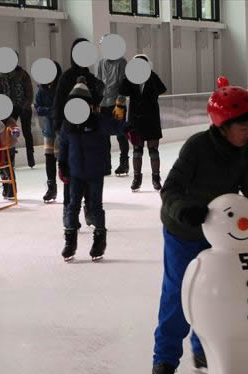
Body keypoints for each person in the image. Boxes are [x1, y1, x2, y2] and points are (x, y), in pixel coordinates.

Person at [151, 76, 248, 374]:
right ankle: (165, 358)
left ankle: (203, 349)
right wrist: (184, 209)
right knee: (179, 295)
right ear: (222, 125)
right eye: (242, 125)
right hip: (183, 231)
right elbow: (171, 189)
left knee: (215, 294)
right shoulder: (197, 147)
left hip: (219, 236)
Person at [58, 77, 125, 262]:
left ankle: (99, 241)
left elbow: (119, 128)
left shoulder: (98, 122)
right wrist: (61, 166)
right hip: (75, 173)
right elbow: (63, 146)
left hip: (94, 172)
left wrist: (121, 109)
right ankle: (70, 242)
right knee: (72, 207)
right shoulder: (68, 125)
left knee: (96, 207)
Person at [52, 38, 106, 227]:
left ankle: (90, 208)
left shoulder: (91, 79)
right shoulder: (66, 77)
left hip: (90, 133)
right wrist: (60, 129)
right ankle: (69, 213)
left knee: (90, 173)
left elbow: (97, 103)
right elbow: (58, 104)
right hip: (70, 131)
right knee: (70, 173)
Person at [119, 54, 167, 192]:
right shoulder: (131, 78)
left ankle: (156, 178)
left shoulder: (152, 77)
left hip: (151, 119)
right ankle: (137, 178)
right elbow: (122, 90)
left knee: (153, 151)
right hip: (135, 120)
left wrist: (150, 74)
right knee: (137, 151)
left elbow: (162, 89)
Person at [97, 35, 130, 176]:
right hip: (103, 104)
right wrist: (97, 102)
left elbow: (125, 83)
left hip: (117, 104)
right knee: (103, 136)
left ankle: (124, 163)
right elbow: (98, 82)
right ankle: (105, 164)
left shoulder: (122, 62)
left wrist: (120, 102)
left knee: (121, 134)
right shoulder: (102, 62)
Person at [0, 50, 35, 168]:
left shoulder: (23, 74)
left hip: (23, 106)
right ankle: (10, 156)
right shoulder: (1, 75)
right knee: (9, 131)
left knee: (27, 131)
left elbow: (29, 92)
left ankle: (30, 155)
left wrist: (26, 106)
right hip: (8, 108)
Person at [34, 61, 63, 203]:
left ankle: (73, 187)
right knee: (49, 158)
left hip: (62, 128)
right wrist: (51, 111)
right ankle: (51, 188)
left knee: (63, 158)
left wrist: (53, 111)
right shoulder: (41, 89)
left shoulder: (62, 87)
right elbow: (38, 108)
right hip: (48, 129)